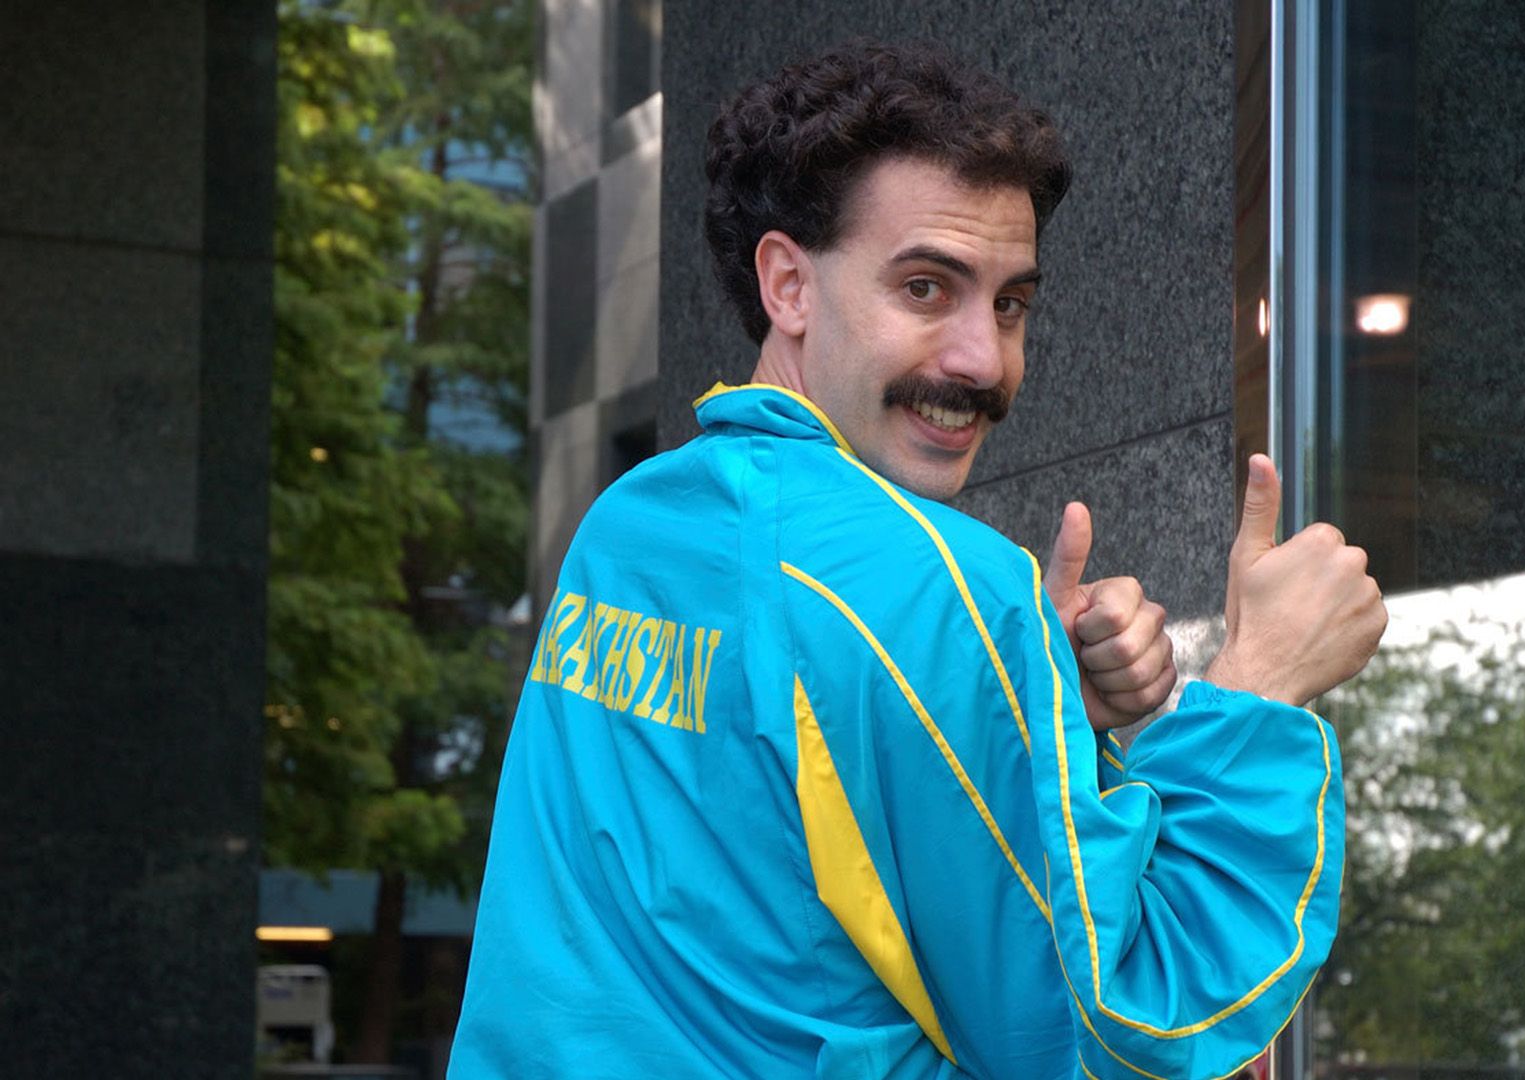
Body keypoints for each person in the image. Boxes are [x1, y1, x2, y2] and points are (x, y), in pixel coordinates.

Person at [450, 41, 1386, 1080]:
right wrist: (1262, 686)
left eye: (1011, 303)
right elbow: (1120, 1039)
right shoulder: (934, 587)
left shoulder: (628, 527)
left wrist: (1043, 718)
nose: (984, 360)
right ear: (788, 283)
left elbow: (765, 881)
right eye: (927, 288)